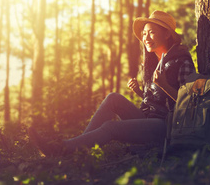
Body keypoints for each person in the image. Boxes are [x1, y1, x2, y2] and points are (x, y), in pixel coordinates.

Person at [29, 10, 195, 156]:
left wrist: (164, 85)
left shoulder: (182, 61)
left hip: (167, 127)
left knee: (111, 127)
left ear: (167, 34)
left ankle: (63, 149)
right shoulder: (155, 61)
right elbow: (157, 100)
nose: (146, 38)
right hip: (149, 118)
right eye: (144, 33)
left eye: (152, 32)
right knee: (113, 98)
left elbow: (190, 104)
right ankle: (78, 146)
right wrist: (139, 91)